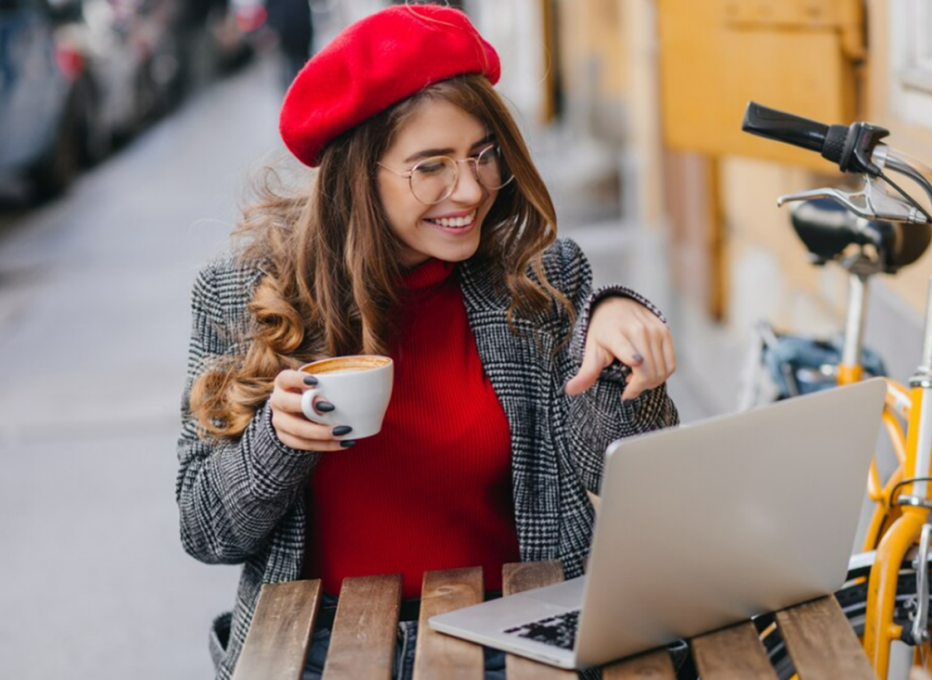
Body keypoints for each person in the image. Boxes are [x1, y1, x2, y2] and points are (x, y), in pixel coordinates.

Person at [176, 5, 680, 680]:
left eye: (482, 155)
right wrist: (277, 441)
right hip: (323, 647)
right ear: (358, 173)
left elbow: (624, 475)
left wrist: (616, 330)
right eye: (431, 166)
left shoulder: (541, 282)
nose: (469, 189)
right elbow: (207, 531)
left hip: (523, 631)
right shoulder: (243, 295)